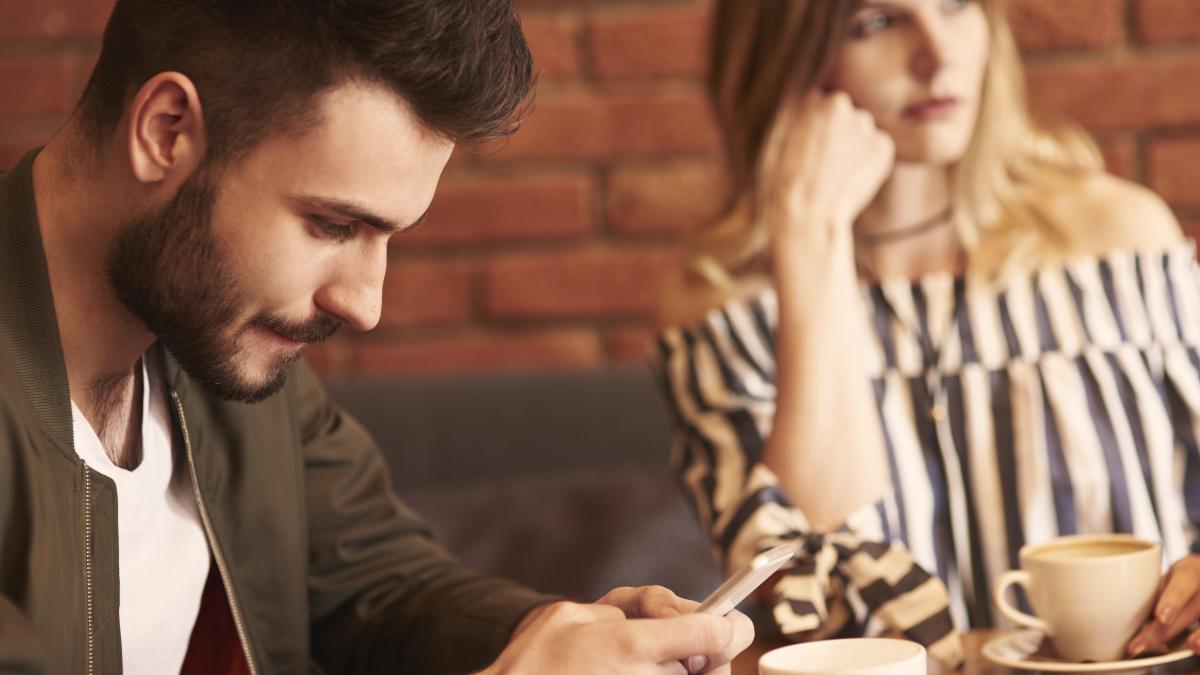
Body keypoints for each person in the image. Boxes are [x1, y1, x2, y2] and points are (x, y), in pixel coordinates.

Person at [0, 1, 754, 673]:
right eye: (332, 224)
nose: (363, 303)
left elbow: (379, 582)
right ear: (167, 131)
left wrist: (571, 638)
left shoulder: (218, 343)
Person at [654, 0, 1200, 666]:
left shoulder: (1121, 247)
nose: (939, 56)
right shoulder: (723, 312)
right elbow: (817, 610)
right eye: (877, 23)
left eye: (955, 5)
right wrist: (811, 242)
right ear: (788, 63)